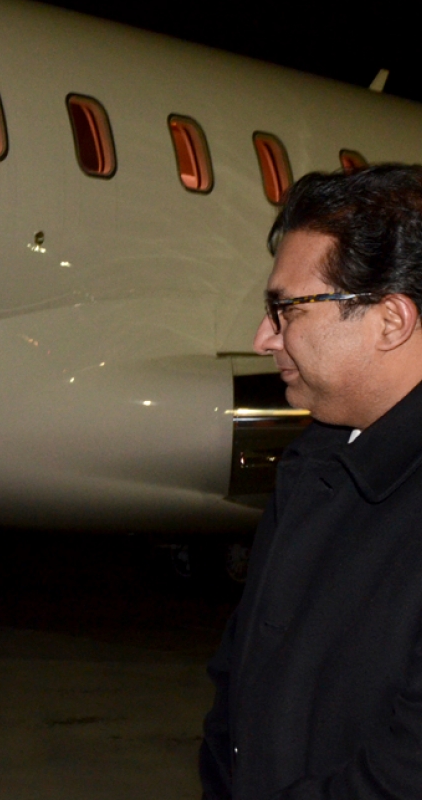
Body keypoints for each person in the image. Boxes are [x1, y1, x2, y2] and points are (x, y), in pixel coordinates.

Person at [201, 165, 422, 798]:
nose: (263, 336)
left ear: (390, 320)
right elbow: (238, 676)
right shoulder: (314, 463)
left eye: (286, 309)